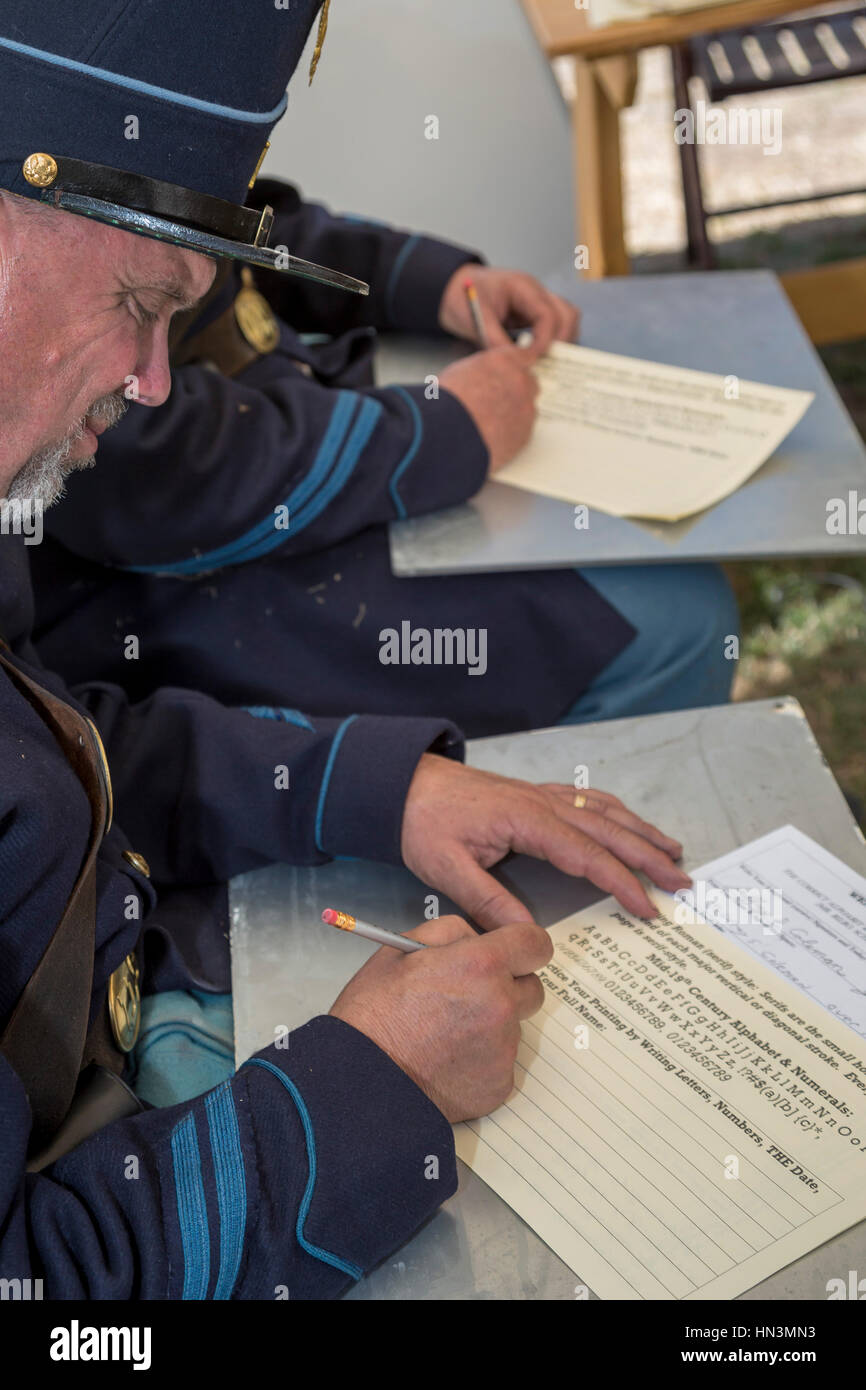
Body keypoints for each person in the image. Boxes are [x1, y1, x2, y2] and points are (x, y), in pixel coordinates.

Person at [0, 0, 689, 1298]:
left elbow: (75, 746)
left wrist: (381, 785)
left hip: (162, 973)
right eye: (137, 301)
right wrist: (367, 1088)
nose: (151, 380)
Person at [31, 175, 740, 738]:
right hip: (162, 586)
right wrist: (440, 433)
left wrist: (429, 281)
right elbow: (147, 474)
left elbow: (243, 226)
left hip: (303, 434)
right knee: (676, 620)